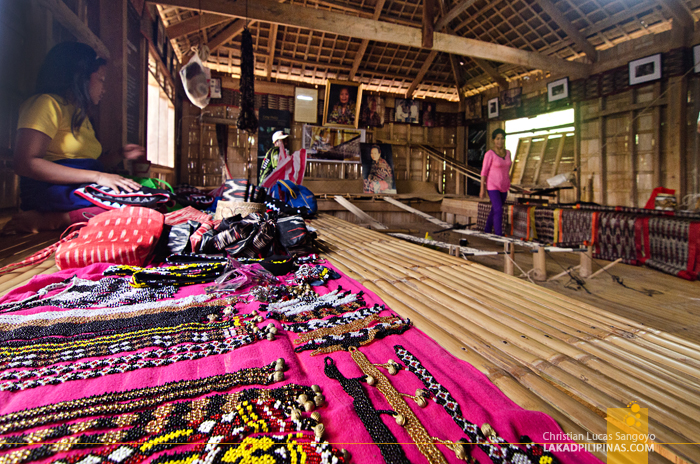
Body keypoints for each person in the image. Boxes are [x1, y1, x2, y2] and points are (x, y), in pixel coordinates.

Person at [7, 42, 145, 233]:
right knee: (135, 208)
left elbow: (85, 165)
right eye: (102, 79)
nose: (104, 89)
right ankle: (52, 220)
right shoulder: (45, 104)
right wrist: (97, 177)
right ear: (81, 78)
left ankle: (71, 216)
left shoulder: (79, 114)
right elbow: (24, 163)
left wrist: (119, 154)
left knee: (150, 199)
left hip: (78, 188)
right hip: (51, 191)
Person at [480, 128, 512, 236]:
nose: (500, 141)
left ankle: (487, 230)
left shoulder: (508, 153)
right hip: (492, 186)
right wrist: (482, 189)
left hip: (504, 186)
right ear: (493, 140)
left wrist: (509, 182)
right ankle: (499, 235)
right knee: (499, 209)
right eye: (498, 138)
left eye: (502, 138)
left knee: (495, 209)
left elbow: (508, 169)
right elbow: (484, 172)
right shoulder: (490, 154)